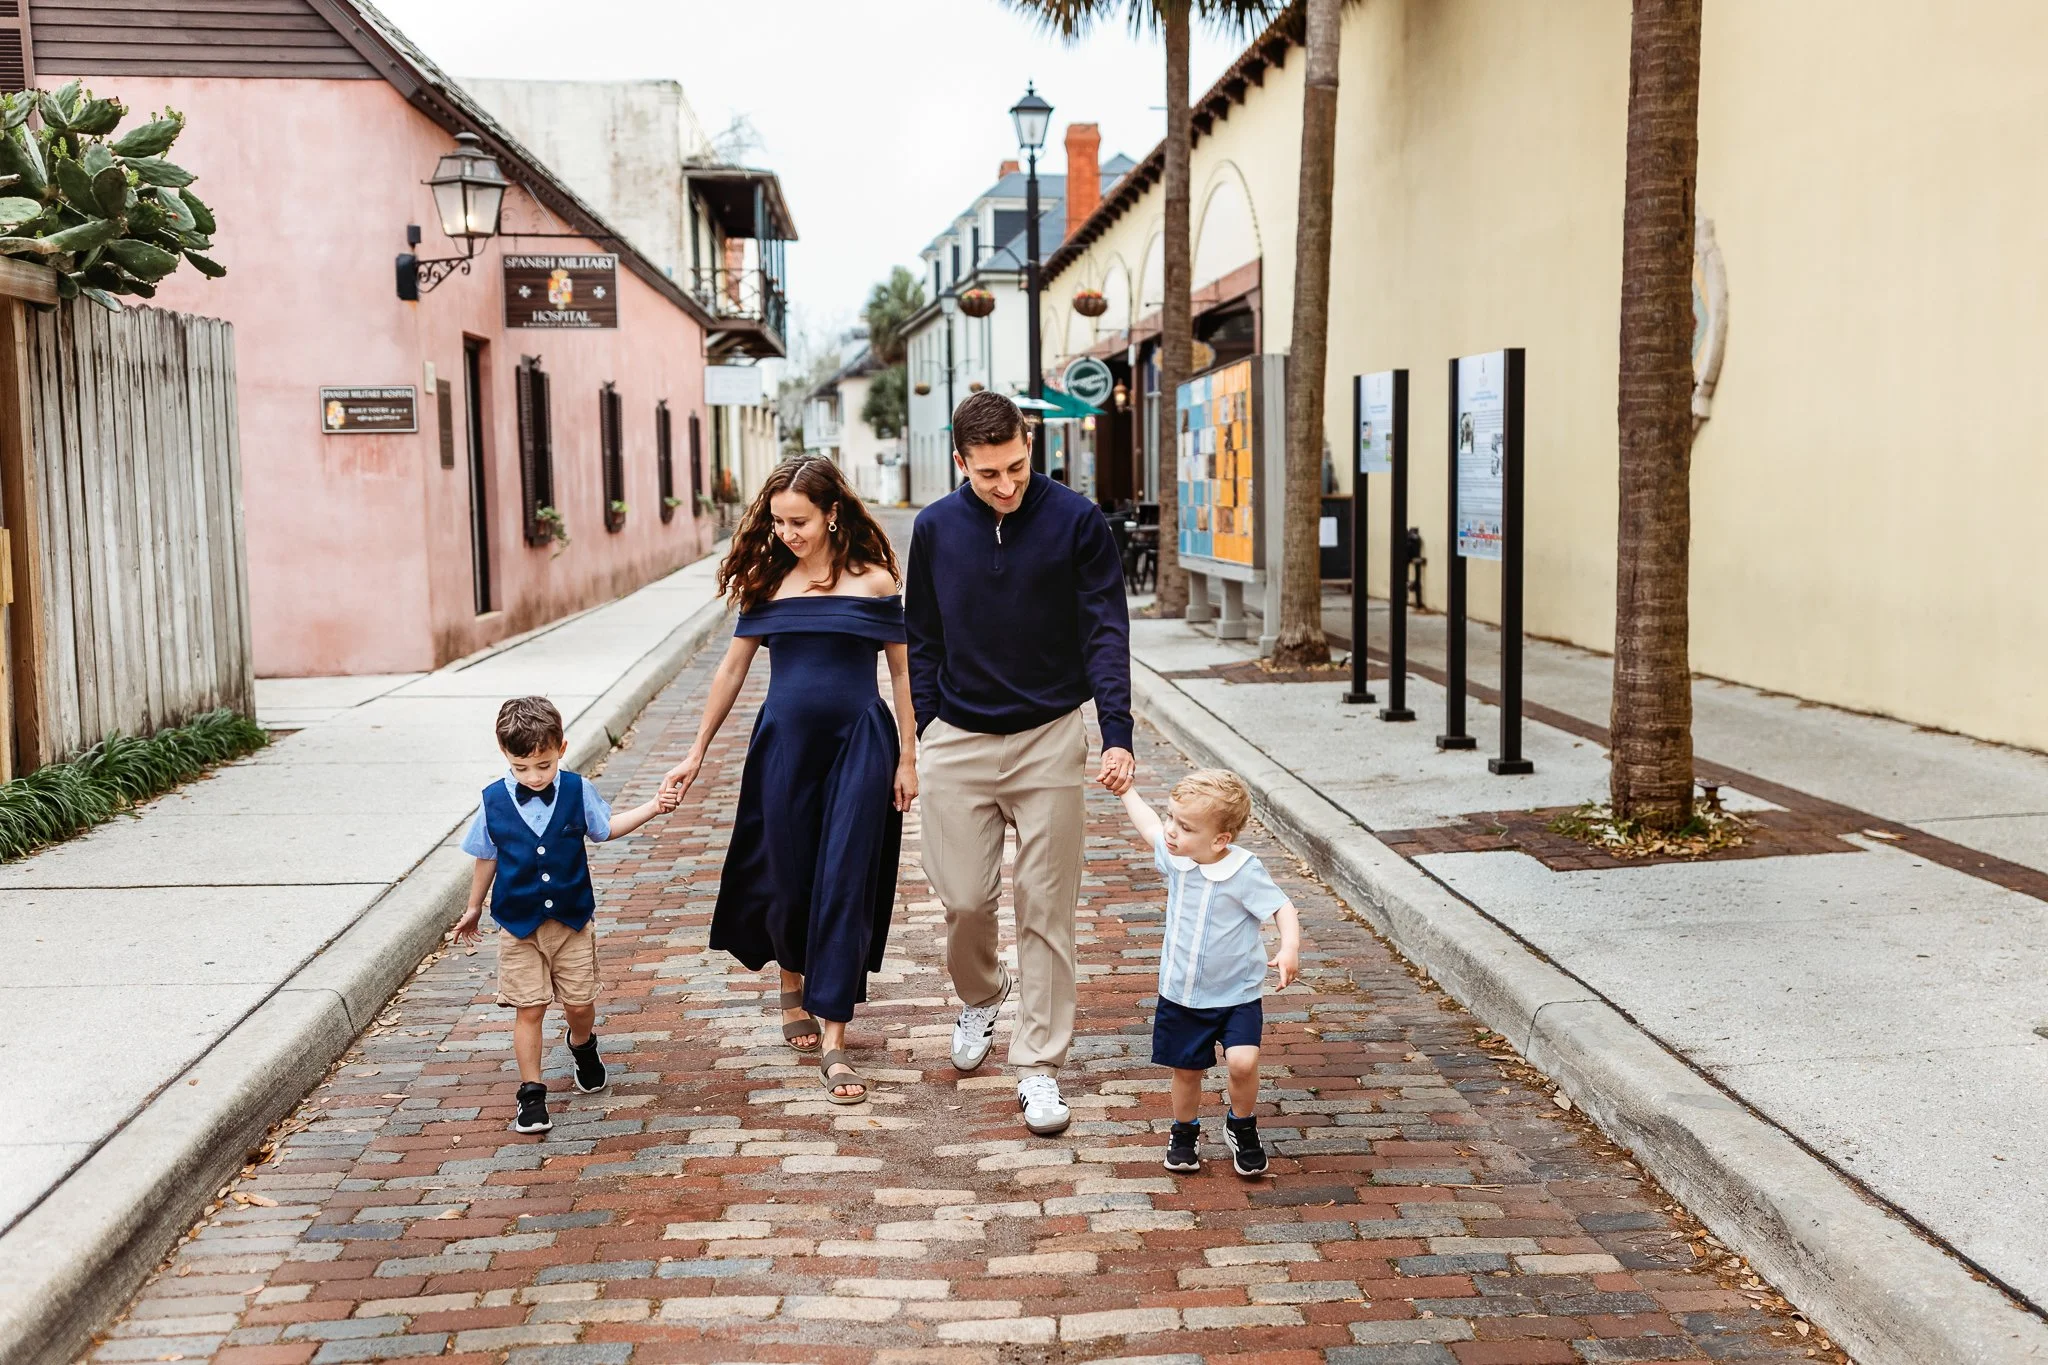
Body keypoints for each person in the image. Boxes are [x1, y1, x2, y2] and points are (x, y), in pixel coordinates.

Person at [906, 390, 1134, 1136]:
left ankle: (1039, 1065)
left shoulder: (1077, 521)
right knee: (964, 899)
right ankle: (982, 992)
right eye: (987, 474)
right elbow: (922, 635)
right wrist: (928, 722)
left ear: (1029, 445)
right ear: (960, 462)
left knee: (1046, 905)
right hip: (958, 738)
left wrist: (1116, 731)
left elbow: (1105, 629)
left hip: (1048, 737)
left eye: (1016, 466)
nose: (1005, 485)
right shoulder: (935, 528)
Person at [660, 456, 913, 1104]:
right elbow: (732, 670)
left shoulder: (876, 580)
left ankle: (835, 1039)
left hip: (861, 744)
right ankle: (790, 982)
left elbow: (901, 673)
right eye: (777, 521)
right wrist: (696, 751)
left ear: (832, 513)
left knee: (845, 879)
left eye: (798, 521)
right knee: (789, 874)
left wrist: (909, 758)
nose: (786, 533)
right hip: (784, 748)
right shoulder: (767, 581)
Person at [454, 696, 677, 1136]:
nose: (534, 777)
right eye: (521, 768)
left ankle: (583, 1044)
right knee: (530, 1008)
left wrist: (653, 806)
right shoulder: (493, 800)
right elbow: (486, 856)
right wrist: (474, 907)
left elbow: (605, 829)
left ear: (562, 749)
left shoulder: (578, 790)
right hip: (518, 927)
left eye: (544, 765)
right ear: (505, 755)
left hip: (572, 923)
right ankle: (532, 1094)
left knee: (579, 1004)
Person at [1117, 768, 1301, 1176]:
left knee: (1243, 1062)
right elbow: (1148, 825)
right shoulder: (1176, 858)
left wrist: (1289, 947)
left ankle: (1241, 1125)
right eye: (1172, 817)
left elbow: (1281, 906)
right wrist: (1127, 790)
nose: (1171, 830)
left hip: (1237, 994)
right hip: (1182, 992)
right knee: (1187, 1070)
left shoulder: (1243, 871)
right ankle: (1185, 1131)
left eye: (1185, 826)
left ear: (1220, 839)